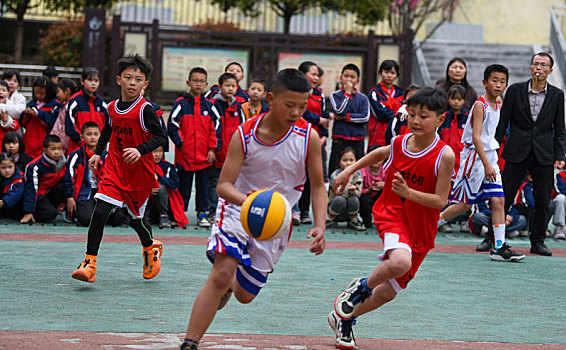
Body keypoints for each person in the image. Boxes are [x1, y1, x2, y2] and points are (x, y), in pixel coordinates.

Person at [179, 69, 326, 350]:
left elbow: (318, 186)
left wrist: (320, 225)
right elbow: (223, 186)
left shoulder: (308, 137)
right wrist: (249, 202)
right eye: (289, 105)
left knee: (245, 295)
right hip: (237, 207)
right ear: (271, 99)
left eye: (303, 106)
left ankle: (229, 287)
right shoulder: (245, 133)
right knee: (221, 273)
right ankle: (190, 342)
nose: (296, 112)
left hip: (276, 222)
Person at [327, 87, 454, 349]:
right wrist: (346, 172)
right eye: (412, 114)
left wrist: (410, 192)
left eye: (424, 116)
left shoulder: (445, 155)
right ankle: (360, 288)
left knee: (388, 292)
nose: (416, 121)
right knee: (399, 261)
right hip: (392, 213)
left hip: (422, 228)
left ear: (441, 119)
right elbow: (377, 154)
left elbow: (441, 201)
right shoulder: (399, 142)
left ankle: (345, 319)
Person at [70, 54, 167, 283]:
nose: (132, 82)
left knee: (136, 220)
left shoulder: (146, 110)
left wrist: (140, 150)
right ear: (118, 80)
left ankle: (150, 248)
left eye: (138, 79)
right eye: (128, 77)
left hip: (139, 174)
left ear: (145, 84)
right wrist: (97, 152)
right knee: (100, 211)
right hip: (114, 168)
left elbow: (161, 136)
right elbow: (108, 130)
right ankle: (89, 262)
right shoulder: (112, 107)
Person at [437, 64, 525, 262]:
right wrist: (486, 165)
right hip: (475, 158)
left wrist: (490, 163)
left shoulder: (498, 105)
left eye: (502, 82)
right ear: (485, 83)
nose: (498, 85)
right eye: (494, 80)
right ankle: (432, 224)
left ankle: (499, 247)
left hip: (490, 157)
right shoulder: (480, 105)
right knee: (464, 205)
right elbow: (476, 138)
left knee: (499, 201)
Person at [495, 52, 565, 257]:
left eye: (544, 65)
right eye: (535, 64)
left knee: (543, 199)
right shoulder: (515, 91)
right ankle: (493, 238)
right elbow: (503, 122)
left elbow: (559, 128)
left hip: (544, 153)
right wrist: (494, 149)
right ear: (530, 67)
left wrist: (560, 155)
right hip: (516, 150)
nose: (539, 68)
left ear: (550, 71)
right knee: (504, 196)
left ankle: (538, 241)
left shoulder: (557, 95)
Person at [168, 67, 218, 226]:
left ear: (206, 84)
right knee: (184, 187)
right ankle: (179, 215)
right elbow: (172, 125)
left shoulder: (210, 106)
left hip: (204, 157)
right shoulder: (181, 104)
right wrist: (181, 143)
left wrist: (211, 149)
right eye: (195, 80)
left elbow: (215, 128)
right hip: (185, 156)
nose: (198, 84)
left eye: (201, 81)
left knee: (203, 188)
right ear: (188, 82)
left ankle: (202, 214)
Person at [67, 122, 125, 227]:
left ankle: (101, 216)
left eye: (96, 134)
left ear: (101, 136)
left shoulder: (107, 156)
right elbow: (69, 178)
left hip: (103, 191)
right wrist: (69, 197)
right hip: (85, 191)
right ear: (82, 136)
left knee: (119, 218)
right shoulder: (76, 155)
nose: (92, 137)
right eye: (89, 134)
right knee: (87, 219)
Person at [207, 73, 244, 224]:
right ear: (220, 87)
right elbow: (212, 129)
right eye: (227, 85)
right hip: (218, 153)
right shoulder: (213, 105)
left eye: (233, 86)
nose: (230, 89)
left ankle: (229, 211)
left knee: (233, 183)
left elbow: (243, 129)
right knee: (214, 182)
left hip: (233, 154)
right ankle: (212, 211)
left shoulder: (238, 107)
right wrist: (213, 149)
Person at [296, 61, 330, 225]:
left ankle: (304, 211)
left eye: (317, 75)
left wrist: (324, 135)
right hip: (298, 138)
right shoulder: (296, 92)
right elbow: (302, 112)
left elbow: (324, 116)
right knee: (297, 174)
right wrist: (319, 119)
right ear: (302, 75)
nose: (316, 78)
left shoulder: (319, 95)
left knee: (313, 177)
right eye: (313, 74)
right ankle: (292, 210)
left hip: (316, 141)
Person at [437, 84, 470, 233]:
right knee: (445, 193)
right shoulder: (443, 118)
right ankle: (444, 221)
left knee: (465, 193)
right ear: (448, 99)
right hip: (446, 163)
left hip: (463, 163)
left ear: (464, 100)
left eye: (459, 99)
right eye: (453, 98)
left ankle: (464, 220)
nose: (456, 102)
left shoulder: (469, 118)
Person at [20, 135, 74, 223]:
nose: (57, 152)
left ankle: (65, 211)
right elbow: (31, 189)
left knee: (62, 186)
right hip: (39, 197)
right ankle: (33, 213)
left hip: (52, 193)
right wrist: (28, 212)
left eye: (59, 149)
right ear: (45, 150)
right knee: (50, 214)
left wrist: (70, 198)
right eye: (53, 149)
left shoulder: (65, 163)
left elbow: (68, 182)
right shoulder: (34, 166)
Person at [328, 63, 369, 175]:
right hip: (340, 138)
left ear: (357, 80)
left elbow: (365, 117)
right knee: (335, 170)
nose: (349, 79)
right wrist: (347, 94)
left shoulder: (363, 98)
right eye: (346, 76)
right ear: (341, 78)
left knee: (359, 171)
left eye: (352, 77)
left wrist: (346, 117)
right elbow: (339, 110)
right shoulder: (335, 95)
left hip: (357, 140)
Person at [65, 67, 108, 153]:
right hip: (78, 148)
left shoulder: (102, 103)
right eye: (90, 80)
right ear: (82, 81)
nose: (93, 84)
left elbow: (107, 125)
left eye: (96, 81)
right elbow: (69, 126)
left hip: (99, 149)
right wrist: (81, 140)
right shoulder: (74, 101)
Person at [144, 146, 188, 229]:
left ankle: (164, 215)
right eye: (154, 152)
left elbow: (174, 185)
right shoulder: (143, 166)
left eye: (160, 151)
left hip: (165, 202)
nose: (157, 155)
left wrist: (160, 177)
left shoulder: (168, 167)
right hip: (148, 202)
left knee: (160, 188)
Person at [368, 60, 404, 148]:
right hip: (378, 136)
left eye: (392, 73)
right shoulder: (374, 93)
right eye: (386, 72)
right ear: (380, 73)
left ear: (397, 75)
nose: (389, 75)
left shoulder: (401, 94)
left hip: (396, 134)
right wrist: (397, 115)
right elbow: (380, 113)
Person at [20, 76, 60, 158]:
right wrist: (26, 114)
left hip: (44, 142)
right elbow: (23, 123)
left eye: (41, 93)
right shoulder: (32, 103)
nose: (38, 95)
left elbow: (53, 122)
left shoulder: (55, 105)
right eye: (36, 92)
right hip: (29, 141)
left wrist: (40, 114)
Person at [327, 147, 365, 230]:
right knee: (340, 199)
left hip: (350, 211)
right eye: (344, 160)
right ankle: (330, 219)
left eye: (351, 160)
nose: (348, 163)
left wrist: (354, 190)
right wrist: (348, 183)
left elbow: (358, 194)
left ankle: (353, 220)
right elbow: (337, 192)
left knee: (354, 199)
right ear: (339, 162)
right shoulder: (335, 175)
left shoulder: (357, 175)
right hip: (336, 209)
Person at [359, 145, 386, 229]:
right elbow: (358, 189)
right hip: (366, 196)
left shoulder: (386, 170)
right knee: (364, 200)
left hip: (379, 197)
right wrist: (369, 189)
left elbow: (394, 184)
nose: (376, 160)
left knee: (386, 194)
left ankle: (383, 220)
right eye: (374, 157)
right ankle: (366, 221)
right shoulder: (362, 171)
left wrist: (384, 184)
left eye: (379, 158)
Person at [51, 78, 78, 154]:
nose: (57, 95)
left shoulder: (69, 108)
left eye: (58, 91)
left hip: (64, 147)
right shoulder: (63, 107)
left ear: (67, 91)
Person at [0, 152, 24, 220]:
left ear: (15, 165)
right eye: (3, 168)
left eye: (10, 167)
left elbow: (16, 193)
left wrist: (3, 202)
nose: (7, 170)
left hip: (13, 206)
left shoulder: (19, 177)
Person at [549, 170, 566, 240]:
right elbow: (560, 190)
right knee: (560, 198)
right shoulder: (560, 175)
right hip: (560, 201)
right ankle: (559, 228)